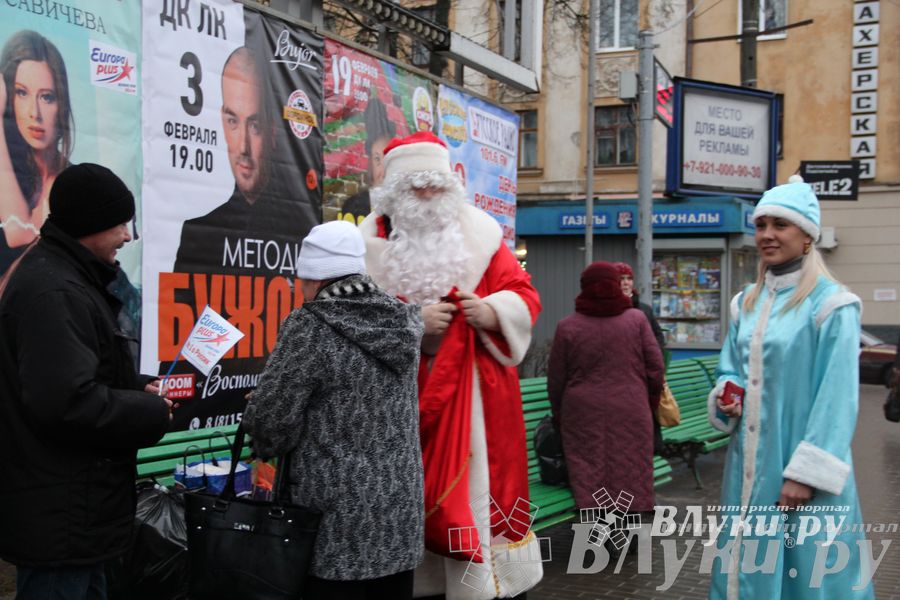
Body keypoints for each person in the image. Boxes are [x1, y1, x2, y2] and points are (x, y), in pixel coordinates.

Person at [359, 131, 543, 599]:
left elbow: (524, 295)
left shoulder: (483, 236)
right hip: (397, 399)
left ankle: (482, 583)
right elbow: (350, 320)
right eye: (415, 185)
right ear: (394, 190)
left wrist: (492, 310)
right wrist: (411, 323)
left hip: (479, 395)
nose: (426, 196)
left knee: (482, 494)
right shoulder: (364, 247)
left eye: (435, 185)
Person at [0, 163, 173, 599]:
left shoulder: (68, 280)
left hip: (78, 514)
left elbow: (80, 373)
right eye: (120, 223)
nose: (128, 236)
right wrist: (148, 410)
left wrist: (135, 387)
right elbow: (67, 402)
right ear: (90, 224)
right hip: (62, 518)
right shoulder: (55, 292)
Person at [708, 179, 874, 599]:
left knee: (808, 571)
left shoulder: (833, 304)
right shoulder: (746, 301)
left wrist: (805, 476)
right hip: (749, 467)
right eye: (761, 224)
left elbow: (837, 399)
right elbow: (732, 365)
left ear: (806, 236)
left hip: (800, 474)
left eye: (780, 224)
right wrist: (729, 391)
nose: (767, 234)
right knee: (747, 565)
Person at [243, 220, 424, 600]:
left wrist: (262, 411)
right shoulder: (402, 321)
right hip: (398, 516)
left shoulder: (310, 324)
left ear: (312, 278)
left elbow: (272, 423)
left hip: (335, 525)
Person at [172, 45, 317, 275]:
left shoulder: (306, 235)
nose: (243, 147)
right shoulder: (197, 235)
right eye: (233, 121)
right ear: (222, 120)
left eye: (255, 125)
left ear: (272, 132)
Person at [547, 262, 664, 533]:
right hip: (631, 408)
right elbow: (655, 367)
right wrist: (650, 401)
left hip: (581, 413)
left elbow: (556, 379)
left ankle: (596, 535)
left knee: (590, 471)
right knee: (630, 469)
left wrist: (560, 413)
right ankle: (628, 534)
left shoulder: (568, 326)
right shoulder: (636, 320)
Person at [0, 30, 73, 270]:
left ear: (61, 103)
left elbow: (20, 234)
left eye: (47, 97)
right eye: (21, 93)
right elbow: (18, 233)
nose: (34, 113)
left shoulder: (75, 181)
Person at [339, 95, 396, 225]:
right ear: (369, 160)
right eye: (377, 159)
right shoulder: (354, 206)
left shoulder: (403, 208)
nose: (383, 170)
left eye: (388, 159)